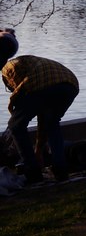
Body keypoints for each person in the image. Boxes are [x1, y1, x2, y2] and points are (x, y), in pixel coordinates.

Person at [1, 29, 80, 183]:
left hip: (44, 81)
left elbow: (18, 94)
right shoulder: (30, 65)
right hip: (69, 84)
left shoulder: (8, 67)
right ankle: (61, 170)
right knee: (51, 124)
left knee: (16, 126)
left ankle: (33, 171)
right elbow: (41, 123)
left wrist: (15, 112)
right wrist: (38, 150)